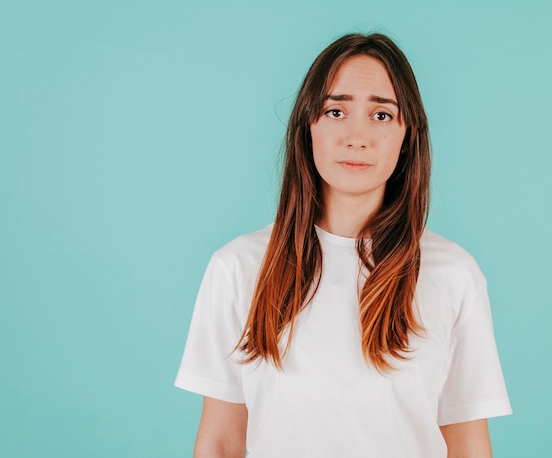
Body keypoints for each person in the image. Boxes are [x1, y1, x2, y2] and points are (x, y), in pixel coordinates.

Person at [175, 32, 511, 458]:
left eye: (382, 115)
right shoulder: (238, 268)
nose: (357, 136)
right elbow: (221, 442)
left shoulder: (454, 274)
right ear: (307, 126)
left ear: (408, 135)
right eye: (335, 111)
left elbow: (466, 444)